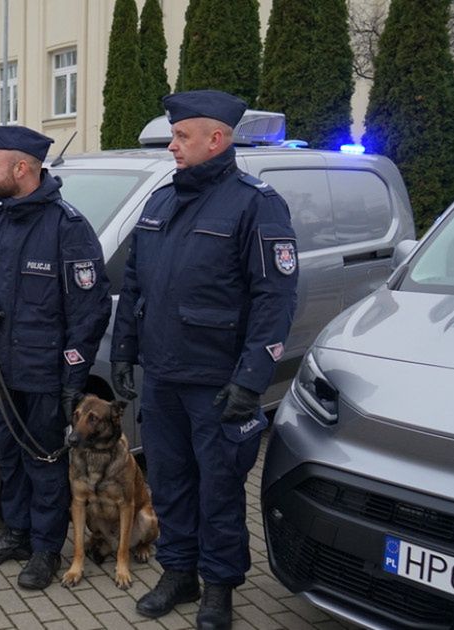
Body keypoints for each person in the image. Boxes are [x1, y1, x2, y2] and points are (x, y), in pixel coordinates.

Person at [111, 90, 299, 628]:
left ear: (216, 139)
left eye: (180, 136)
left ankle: (219, 586)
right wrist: (125, 352)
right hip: (164, 379)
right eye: (173, 136)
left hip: (217, 383)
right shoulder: (162, 201)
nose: (172, 146)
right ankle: (179, 573)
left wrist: (251, 378)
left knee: (217, 490)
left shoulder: (255, 203)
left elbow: (275, 299)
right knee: (169, 483)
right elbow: (136, 286)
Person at [0, 125, 112, 590]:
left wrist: (72, 375)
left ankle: (47, 550)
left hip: (44, 374)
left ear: (21, 169)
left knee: (45, 464)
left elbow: (89, 311)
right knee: (8, 456)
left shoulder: (68, 228)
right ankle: (17, 535)